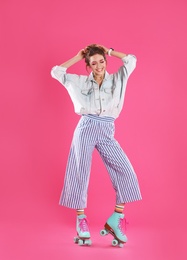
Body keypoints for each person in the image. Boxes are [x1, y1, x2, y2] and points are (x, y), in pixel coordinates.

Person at [51, 44, 142, 246]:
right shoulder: (81, 82)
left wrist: (108, 51)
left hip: (107, 129)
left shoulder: (117, 79)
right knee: (79, 173)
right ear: (89, 66)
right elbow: (56, 72)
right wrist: (77, 56)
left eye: (102, 61)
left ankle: (115, 220)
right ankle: (81, 220)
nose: (99, 65)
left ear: (106, 61)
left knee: (125, 172)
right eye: (94, 63)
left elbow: (131, 60)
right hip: (86, 127)